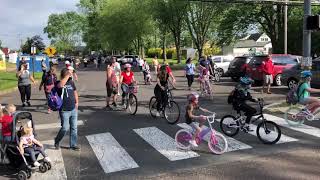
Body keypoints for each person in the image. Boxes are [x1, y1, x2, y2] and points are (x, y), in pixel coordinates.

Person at [54, 68, 80, 151]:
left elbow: (75, 92)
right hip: (64, 110)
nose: (70, 75)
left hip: (73, 109)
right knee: (65, 128)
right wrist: (68, 75)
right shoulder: (58, 82)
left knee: (74, 128)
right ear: (64, 75)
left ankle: (73, 145)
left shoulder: (71, 82)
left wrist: (77, 102)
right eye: (68, 74)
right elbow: (61, 85)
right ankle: (57, 141)